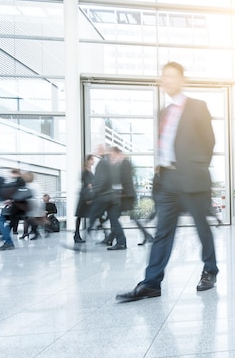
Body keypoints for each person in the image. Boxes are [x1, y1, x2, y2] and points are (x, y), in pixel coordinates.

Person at [116, 61, 219, 302]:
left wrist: (197, 167)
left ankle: (210, 270)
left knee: (201, 227)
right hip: (167, 180)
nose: (167, 80)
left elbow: (209, 142)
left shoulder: (197, 107)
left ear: (182, 79)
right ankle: (151, 283)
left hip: (192, 177)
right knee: (163, 232)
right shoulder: (163, 113)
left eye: (172, 76)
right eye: (164, 77)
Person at [73, 155, 94, 238]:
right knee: (80, 215)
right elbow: (89, 185)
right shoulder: (85, 172)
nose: (93, 161)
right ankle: (77, 234)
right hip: (85, 197)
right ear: (88, 161)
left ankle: (77, 234)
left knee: (81, 215)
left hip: (86, 196)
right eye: (92, 160)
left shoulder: (88, 172)